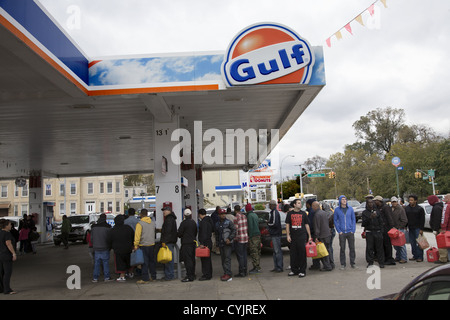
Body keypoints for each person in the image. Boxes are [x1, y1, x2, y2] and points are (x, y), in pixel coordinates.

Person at [286, 199, 312, 278]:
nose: (300, 204)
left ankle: (302, 271)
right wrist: (288, 235)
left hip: (302, 235)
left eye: (300, 203)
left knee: (302, 253)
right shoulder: (290, 214)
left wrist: (309, 236)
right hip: (293, 236)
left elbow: (307, 225)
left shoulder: (303, 213)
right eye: (298, 203)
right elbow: (287, 225)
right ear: (294, 204)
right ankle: (294, 270)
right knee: (293, 254)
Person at [108, 214, 134, 282]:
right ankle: (130, 273)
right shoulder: (128, 228)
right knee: (129, 261)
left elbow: (109, 240)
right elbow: (133, 236)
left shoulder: (113, 230)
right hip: (128, 248)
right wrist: (133, 245)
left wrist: (110, 247)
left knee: (120, 262)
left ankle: (122, 276)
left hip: (118, 249)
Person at [333, 195, 357, 269]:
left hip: (350, 232)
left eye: (345, 199)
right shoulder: (337, 210)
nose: (344, 200)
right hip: (342, 233)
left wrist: (353, 230)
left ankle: (352, 263)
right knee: (342, 248)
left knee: (352, 248)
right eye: (342, 199)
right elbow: (335, 221)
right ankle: (343, 264)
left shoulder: (350, 209)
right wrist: (339, 230)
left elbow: (353, 219)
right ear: (340, 201)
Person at [134, 208, 157, 283]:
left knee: (144, 263)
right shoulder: (152, 223)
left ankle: (145, 278)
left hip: (143, 245)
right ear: (147, 214)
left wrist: (135, 245)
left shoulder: (139, 224)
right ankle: (153, 277)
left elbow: (137, 235)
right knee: (152, 262)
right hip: (152, 244)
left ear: (141, 215)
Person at [361, 199, 385, 268]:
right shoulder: (365, 213)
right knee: (369, 248)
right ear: (367, 204)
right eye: (369, 203)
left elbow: (381, 222)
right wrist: (370, 218)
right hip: (369, 232)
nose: (370, 204)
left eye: (372, 202)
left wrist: (381, 231)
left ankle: (381, 262)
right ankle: (370, 262)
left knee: (379, 248)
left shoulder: (377, 211)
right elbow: (363, 223)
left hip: (378, 231)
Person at [374, 195, 396, 265]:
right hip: (381, 228)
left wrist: (392, 227)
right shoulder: (378, 208)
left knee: (387, 244)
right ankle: (384, 258)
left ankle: (389, 258)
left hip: (386, 228)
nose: (374, 202)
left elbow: (389, 217)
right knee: (382, 244)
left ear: (379, 201)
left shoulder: (385, 207)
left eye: (376, 201)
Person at [215, 208, 236, 281]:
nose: (223, 215)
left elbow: (234, 230)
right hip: (221, 244)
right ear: (219, 215)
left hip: (227, 244)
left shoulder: (229, 222)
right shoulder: (217, 224)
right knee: (223, 259)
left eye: (224, 214)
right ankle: (226, 272)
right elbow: (217, 235)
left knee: (227, 259)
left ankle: (228, 273)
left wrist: (229, 239)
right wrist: (217, 245)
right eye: (221, 214)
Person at [91, 213, 113, 282]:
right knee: (105, 262)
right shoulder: (108, 227)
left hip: (96, 247)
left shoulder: (94, 227)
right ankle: (106, 277)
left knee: (97, 263)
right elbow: (110, 238)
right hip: (105, 247)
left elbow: (91, 239)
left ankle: (95, 278)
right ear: (105, 218)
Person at [177, 209, 197, 282]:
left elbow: (179, 233)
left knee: (187, 260)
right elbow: (195, 232)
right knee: (192, 259)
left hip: (186, 244)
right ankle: (193, 274)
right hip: (192, 243)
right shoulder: (193, 222)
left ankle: (189, 276)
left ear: (184, 215)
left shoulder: (183, 223)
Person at [312, 201, 332, 271]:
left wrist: (316, 237)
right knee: (328, 250)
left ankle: (327, 266)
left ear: (315, 206)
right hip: (327, 234)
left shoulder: (316, 215)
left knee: (323, 252)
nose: (312, 208)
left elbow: (317, 226)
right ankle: (331, 264)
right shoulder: (324, 213)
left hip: (322, 235)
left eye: (312, 206)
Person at [405, 194, 425, 262]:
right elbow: (406, 218)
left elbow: (422, 219)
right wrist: (405, 226)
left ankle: (420, 256)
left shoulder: (420, 209)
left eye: (412, 200)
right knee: (412, 242)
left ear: (415, 201)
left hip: (418, 228)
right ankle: (415, 255)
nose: (410, 201)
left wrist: (421, 229)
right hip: (410, 228)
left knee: (419, 243)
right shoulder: (407, 208)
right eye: (409, 200)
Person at [160, 206, 177, 281]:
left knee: (168, 259)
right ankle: (169, 275)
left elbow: (168, 231)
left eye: (165, 210)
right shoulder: (171, 218)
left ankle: (169, 276)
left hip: (168, 242)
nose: (163, 212)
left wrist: (164, 241)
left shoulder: (169, 219)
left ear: (169, 211)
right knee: (168, 259)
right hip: (170, 241)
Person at [0, 219, 17, 295]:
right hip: (6, 255)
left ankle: (1, 288)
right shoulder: (7, 234)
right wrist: (13, 253)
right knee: (7, 273)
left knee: (1, 273)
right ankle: (7, 289)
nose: (11, 226)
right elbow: (8, 244)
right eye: (10, 224)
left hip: (0, 255)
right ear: (6, 226)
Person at [390, 197, 408, 264]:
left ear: (397, 202)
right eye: (393, 202)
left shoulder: (401, 209)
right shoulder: (391, 209)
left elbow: (405, 220)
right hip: (393, 229)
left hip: (400, 229)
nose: (394, 203)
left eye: (395, 202)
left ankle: (404, 258)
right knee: (395, 244)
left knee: (401, 244)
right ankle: (398, 257)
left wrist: (399, 227)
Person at [197, 208, 214, 281]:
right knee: (208, 259)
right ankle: (209, 273)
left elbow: (203, 233)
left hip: (205, 243)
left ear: (200, 214)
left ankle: (206, 274)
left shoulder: (203, 222)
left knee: (204, 260)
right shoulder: (209, 220)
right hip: (209, 241)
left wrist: (202, 243)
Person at [268, 200, 284, 273]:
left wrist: (268, 224)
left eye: (270, 205)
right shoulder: (273, 212)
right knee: (275, 251)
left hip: (276, 234)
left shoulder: (274, 212)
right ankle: (276, 266)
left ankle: (279, 267)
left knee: (277, 251)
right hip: (275, 234)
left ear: (272, 205)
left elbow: (274, 223)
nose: (269, 206)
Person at [245, 203, 261, 274]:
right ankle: (257, 266)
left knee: (253, 252)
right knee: (257, 252)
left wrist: (249, 236)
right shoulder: (255, 215)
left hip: (253, 236)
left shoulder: (249, 216)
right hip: (258, 235)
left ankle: (256, 267)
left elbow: (250, 227)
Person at [233, 205, 249, 277]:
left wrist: (234, 238)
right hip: (245, 238)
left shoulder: (236, 218)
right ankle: (245, 270)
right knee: (245, 255)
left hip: (239, 239)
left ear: (234, 210)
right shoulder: (244, 216)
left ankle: (241, 271)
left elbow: (236, 230)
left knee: (240, 256)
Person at [322, 202, 336, 270]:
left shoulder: (324, 214)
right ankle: (332, 263)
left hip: (328, 231)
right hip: (332, 230)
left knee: (328, 247)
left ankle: (330, 263)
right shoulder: (332, 213)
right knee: (330, 247)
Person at [438, 194, 450, 262]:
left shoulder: (447, 206)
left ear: (448, 199)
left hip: (448, 229)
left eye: (445, 197)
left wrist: (443, 228)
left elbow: (444, 217)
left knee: (448, 245)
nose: (444, 199)